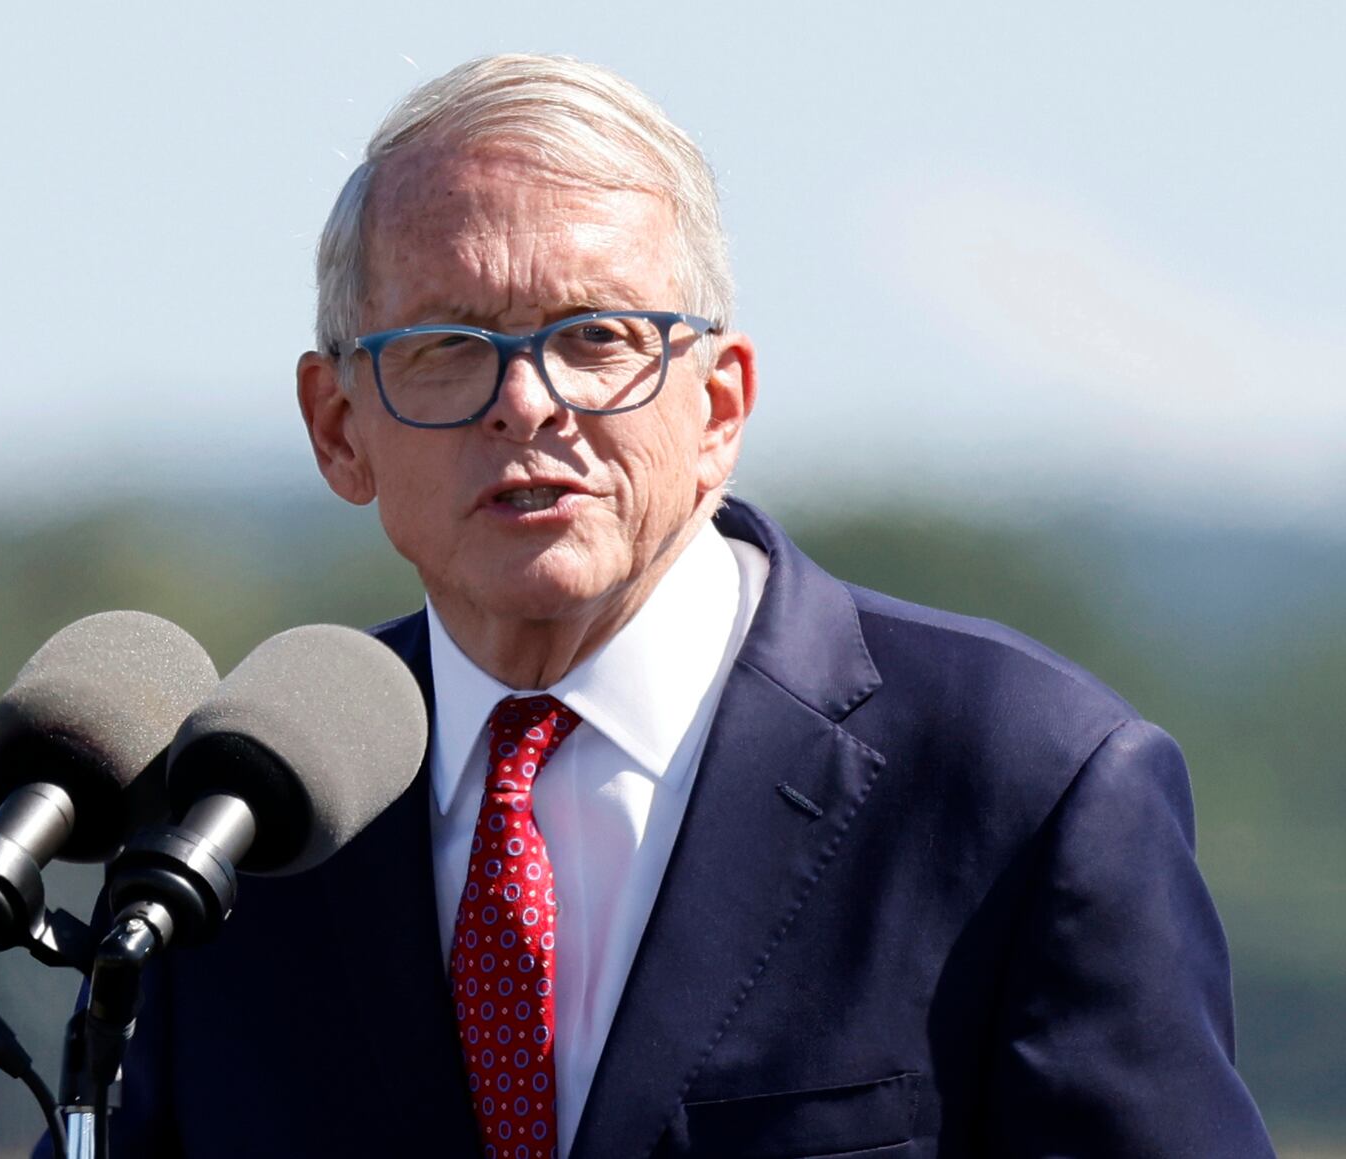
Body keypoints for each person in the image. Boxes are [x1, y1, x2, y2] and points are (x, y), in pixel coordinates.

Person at [92, 55, 1274, 1157]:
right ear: (338, 429)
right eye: (449, 346)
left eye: (597, 337)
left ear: (718, 407)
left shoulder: (1024, 780)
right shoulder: (239, 814)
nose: (527, 403)